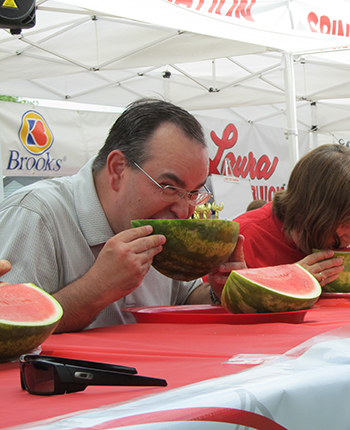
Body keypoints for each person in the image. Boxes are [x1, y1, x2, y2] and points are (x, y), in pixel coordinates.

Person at [0, 99, 239, 333]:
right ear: (118, 169)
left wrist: (218, 291)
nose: (185, 210)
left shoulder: (161, 226)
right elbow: (13, 325)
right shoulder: (35, 213)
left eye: (193, 192)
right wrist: (97, 287)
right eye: (169, 187)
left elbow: (183, 300)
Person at [213, 144, 350, 295]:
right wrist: (283, 279)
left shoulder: (337, 239)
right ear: (310, 210)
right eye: (345, 225)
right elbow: (199, 301)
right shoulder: (243, 236)